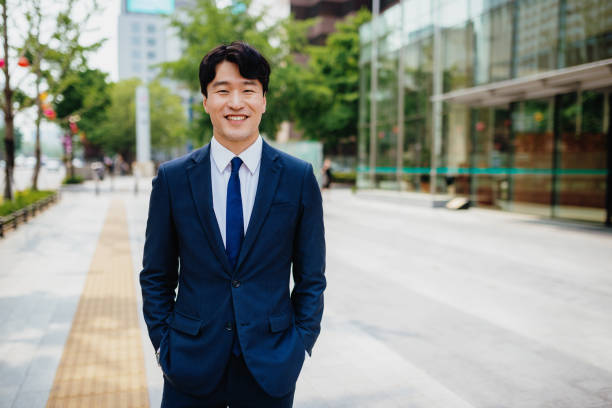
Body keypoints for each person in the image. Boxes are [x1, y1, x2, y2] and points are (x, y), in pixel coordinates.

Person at [140, 41, 326, 408]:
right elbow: (156, 274)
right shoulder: (173, 179)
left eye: (248, 90)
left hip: (270, 366)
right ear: (206, 100)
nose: (235, 102)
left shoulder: (297, 177)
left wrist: (298, 345)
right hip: (189, 364)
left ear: (263, 100)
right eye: (222, 90)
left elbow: (312, 277)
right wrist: (165, 343)